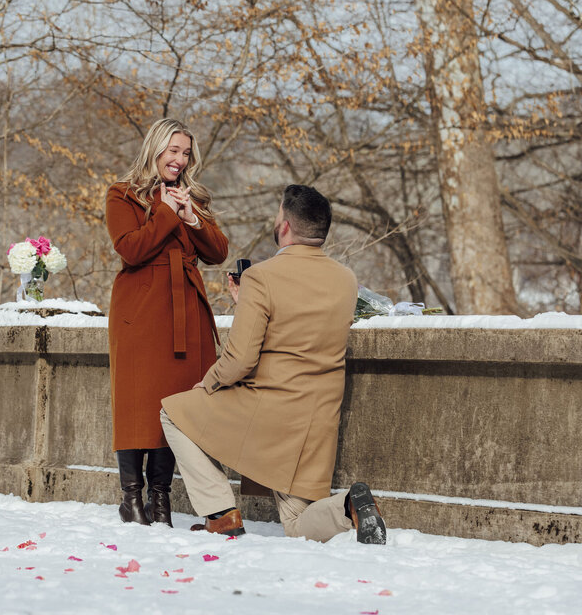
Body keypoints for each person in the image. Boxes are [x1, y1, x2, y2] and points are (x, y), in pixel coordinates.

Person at [159, 184, 386, 544]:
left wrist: (209, 383)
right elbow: (300, 327)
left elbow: (241, 359)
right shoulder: (346, 280)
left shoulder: (261, 276)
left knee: (173, 412)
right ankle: (347, 507)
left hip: (270, 410)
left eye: (279, 215)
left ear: (285, 227)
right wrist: (245, 301)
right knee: (298, 524)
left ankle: (221, 514)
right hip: (318, 420)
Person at [105, 118, 229, 526]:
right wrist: (164, 210)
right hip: (141, 310)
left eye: (186, 153)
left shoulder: (189, 195)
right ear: (155, 148)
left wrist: (191, 216)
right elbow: (131, 250)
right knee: (138, 403)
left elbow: (218, 252)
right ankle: (132, 498)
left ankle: (162, 497)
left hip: (185, 311)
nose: (179, 160)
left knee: (175, 405)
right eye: (173, 150)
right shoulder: (122, 195)